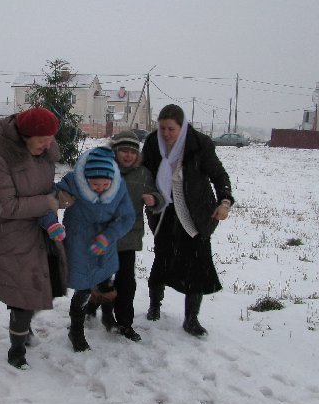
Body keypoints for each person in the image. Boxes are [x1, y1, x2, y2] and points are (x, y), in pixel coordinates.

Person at [0, 107, 68, 369]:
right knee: (23, 294)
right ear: (25, 136)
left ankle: (23, 325)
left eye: (51, 139)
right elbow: (5, 206)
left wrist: (61, 198)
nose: (48, 144)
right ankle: (16, 350)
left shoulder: (45, 155)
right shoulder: (0, 161)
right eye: (42, 139)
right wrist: (49, 202)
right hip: (9, 236)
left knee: (41, 287)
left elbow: (46, 189)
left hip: (40, 231)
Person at [141, 104, 234, 337]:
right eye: (162, 128)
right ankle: (154, 306)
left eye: (171, 129)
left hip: (196, 212)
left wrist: (224, 202)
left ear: (182, 127)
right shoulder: (152, 142)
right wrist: (148, 194)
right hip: (163, 211)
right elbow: (144, 173)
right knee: (162, 260)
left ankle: (191, 319)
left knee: (197, 266)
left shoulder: (199, 143)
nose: (166, 133)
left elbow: (218, 174)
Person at [52, 146, 135, 352]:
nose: (100, 188)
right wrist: (52, 223)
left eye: (105, 184)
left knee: (106, 283)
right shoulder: (73, 182)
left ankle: (107, 317)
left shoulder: (119, 186)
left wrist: (108, 236)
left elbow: (127, 217)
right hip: (79, 245)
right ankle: (76, 331)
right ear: (85, 178)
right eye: (95, 184)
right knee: (83, 288)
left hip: (104, 245)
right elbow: (49, 201)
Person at [86, 131, 164, 342]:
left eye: (132, 151)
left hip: (129, 235)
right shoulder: (103, 169)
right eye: (124, 151)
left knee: (126, 282)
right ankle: (90, 307)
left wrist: (154, 199)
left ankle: (124, 323)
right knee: (102, 279)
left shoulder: (143, 174)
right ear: (115, 151)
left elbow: (159, 196)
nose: (128, 155)